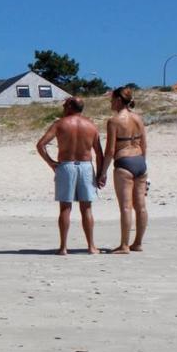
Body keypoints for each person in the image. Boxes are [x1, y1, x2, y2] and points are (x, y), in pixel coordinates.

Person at [36, 97, 103, 255]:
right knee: (86, 208)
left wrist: (51, 162)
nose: (63, 107)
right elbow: (99, 153)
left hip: (66, 166)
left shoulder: (60, 124)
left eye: (65, 105)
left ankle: (63, 247)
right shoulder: (91, 125)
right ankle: (91, 246)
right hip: (86, 167)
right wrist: (100, 173)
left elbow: (40, 145)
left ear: (72, 107)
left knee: (65, 207)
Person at [98, 86, 148, 254]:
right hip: (140, 161)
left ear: (119, 100)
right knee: (140, 206)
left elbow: (110, 150)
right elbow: (144, 144)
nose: (110, 102)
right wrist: (143, 164)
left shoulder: (114, 121)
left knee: (126, 206)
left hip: (124, 162)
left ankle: (124, 245)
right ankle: (138, 243)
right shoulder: (138, 118)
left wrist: (103, 172)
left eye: (112, 99)